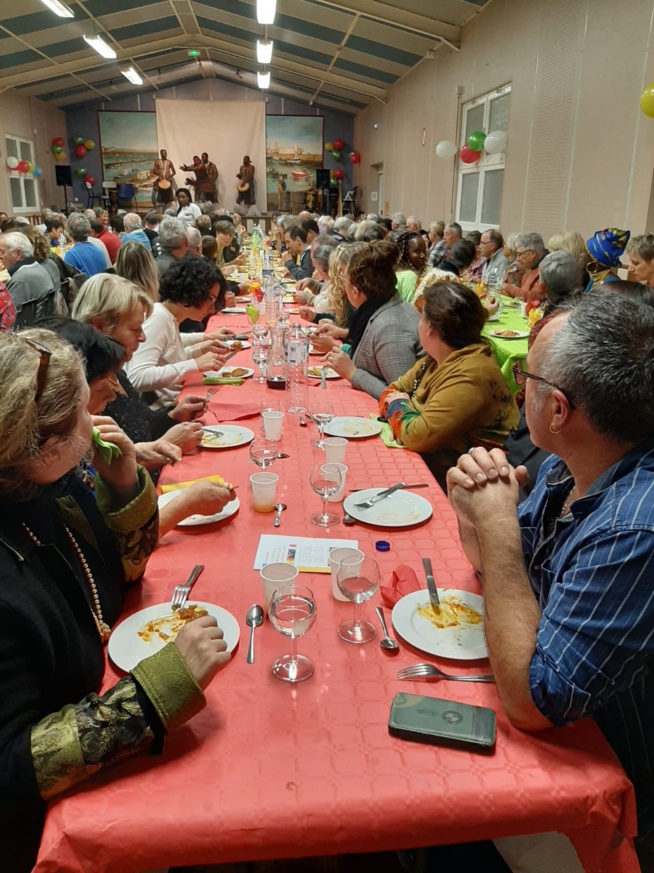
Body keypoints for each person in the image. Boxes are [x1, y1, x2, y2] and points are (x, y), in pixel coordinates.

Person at [0, 328, 232, 873]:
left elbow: (112, 582)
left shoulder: (46, 488)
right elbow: (10, 766)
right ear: (44, 443)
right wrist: (159, 689)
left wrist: (125, 485)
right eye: (84, 409)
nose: (98, 420)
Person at [445, 292, 654, 871]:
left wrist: (494, 523)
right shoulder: (569, 467)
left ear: (557, 409)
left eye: (525, 375)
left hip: (608, 781)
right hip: (558, 727)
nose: (516, 387)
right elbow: (498, 568)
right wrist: (474, 510)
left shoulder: (636, 526)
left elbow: (533, 700)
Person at [379, 282, 518, 490]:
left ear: (431, 329)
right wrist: (404, 418)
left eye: (421, 317)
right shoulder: (437, 358)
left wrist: (399, 409)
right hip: (437, 470)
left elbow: (416, 436)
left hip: (473, 487)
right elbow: (390, 391)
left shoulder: (471, 376)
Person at [71, 274, 219, 454]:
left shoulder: (115, 371)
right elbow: (108, 473)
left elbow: (145, 425)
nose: (143, 337)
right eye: (134, 329)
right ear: (99, 326)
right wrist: (162, 445)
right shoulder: (84, 389)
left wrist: (174, 414)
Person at [320, 241, 423, 400]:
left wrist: (353, 373)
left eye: (343, 280)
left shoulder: (390, 328)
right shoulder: (380, 307)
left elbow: (401, 397)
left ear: (355, 291)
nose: (341, 285)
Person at [124, 255, 228, 407]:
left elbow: (170, 357)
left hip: (177, 401)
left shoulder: (170, 317)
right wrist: (195, 364)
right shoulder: (159, 318)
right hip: (164, 411)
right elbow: (136, 378)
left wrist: (200, 348)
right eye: (210, 299)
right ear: (193, 292)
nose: (212, 308)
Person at [0, 231, 55, 319]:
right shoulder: (35, 266)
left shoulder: (21, 279)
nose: (0, 256)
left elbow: (8, 317)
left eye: (2, 252)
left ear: (18, 254)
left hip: (30, 328)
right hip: (42, 324)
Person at [583, 227, 630, 292]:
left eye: (588, 254)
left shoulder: (612, 284)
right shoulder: (595, 279)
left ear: (596, 261)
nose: (583, 257)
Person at [503, 232, 547, 301]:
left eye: (520, 254)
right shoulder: (529, 269)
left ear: (533, 253)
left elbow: (534, 298)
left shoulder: (547, 270)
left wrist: (507, 287)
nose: (517, 259)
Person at [63, 214, 108, 278]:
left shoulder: (71, 255)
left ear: (70, 235)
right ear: (90, 232)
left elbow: (69, 282)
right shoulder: (100, 252)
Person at [394, 231, 428, 303]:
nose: (423, 255)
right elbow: (411, 310)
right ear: (405, 254)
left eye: (424, 251)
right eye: (417, 252)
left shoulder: (396, 271)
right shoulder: (409, 276)